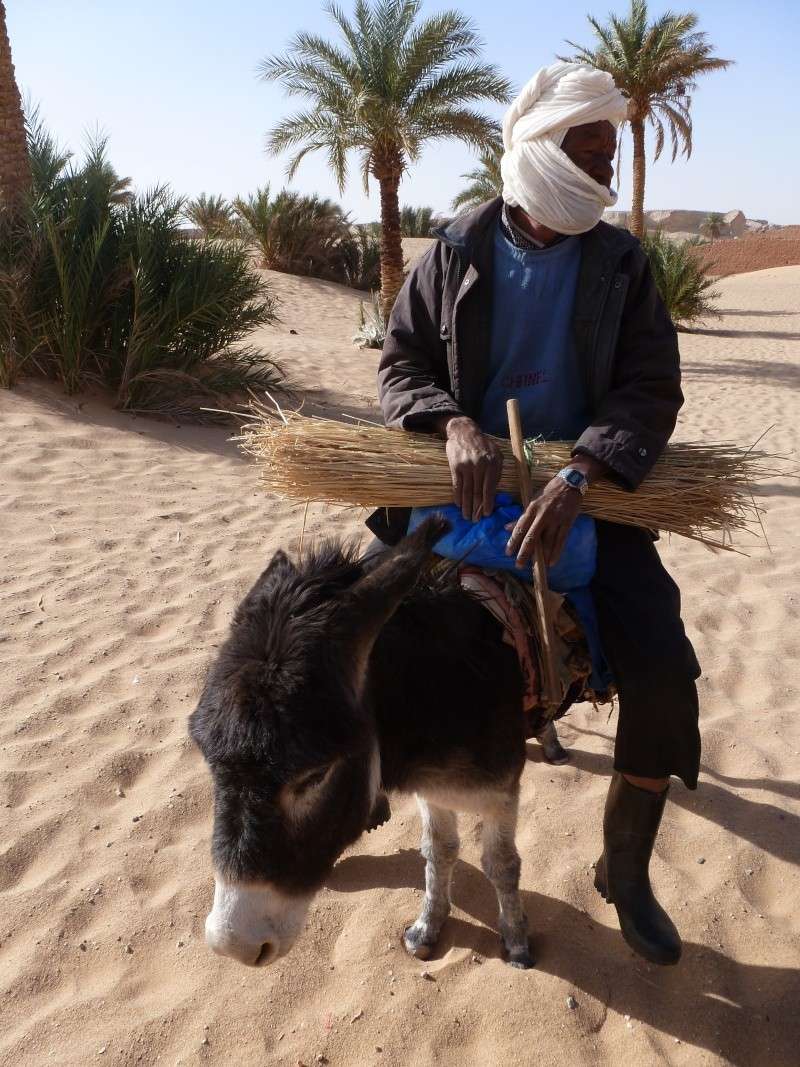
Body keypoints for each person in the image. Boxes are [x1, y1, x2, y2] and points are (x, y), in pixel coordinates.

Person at [367, 62, 701, 967]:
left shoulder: (623, 265)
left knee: (666, 672)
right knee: (358, 628)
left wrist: (582, 474)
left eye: (610, 153)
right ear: (539, 147)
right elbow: (399, 363)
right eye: (586, 151)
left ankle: (624, 869)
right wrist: (452, 424)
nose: (600, 169)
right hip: (463, 482)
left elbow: (650, 388)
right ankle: (363, 790)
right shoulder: (458, 249)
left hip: (587, 487)